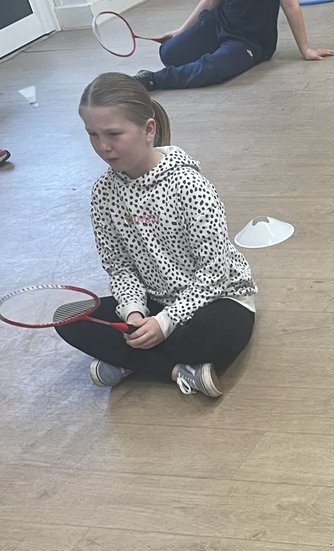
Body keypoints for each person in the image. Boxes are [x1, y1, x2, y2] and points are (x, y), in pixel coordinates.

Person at [57, 73, 257, 399]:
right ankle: (179, 371)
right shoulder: (103, 193)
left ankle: (129, 362)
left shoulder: (189, 186)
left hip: (215, 299)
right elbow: (119, 267)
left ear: (148, 130)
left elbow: (215, 272)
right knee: (69, 320)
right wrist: (133, 312)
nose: (102, 147)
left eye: (113, 134)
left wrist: (167, 321)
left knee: (218, 332)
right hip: (153, 302)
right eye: (92, 134)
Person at [133, 0, 334, 92]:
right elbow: (209, 3)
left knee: (212, 68)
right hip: (218, 24)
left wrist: (305, 49)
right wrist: (181, 31)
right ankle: (210, 53)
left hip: (249, 41)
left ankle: (154, 80)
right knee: (169, 53)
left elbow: (291, 6)